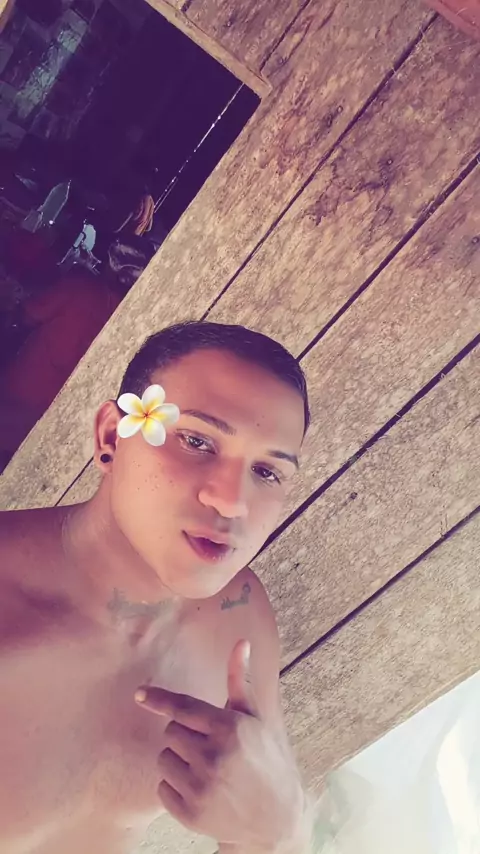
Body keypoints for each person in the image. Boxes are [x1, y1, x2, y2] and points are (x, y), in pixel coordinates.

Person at [0, 321, 316, 854]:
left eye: (266, 472)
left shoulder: (238, 619)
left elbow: (266, 825)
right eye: (197, 441)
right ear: (110, 438)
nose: (231, 501)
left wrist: (279, 832)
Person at [0, 239, 155, 469]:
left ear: (111, 265)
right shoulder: (130, 326)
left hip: (16, 398)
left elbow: (26, 316)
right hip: (53, 427)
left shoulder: (81, 288)